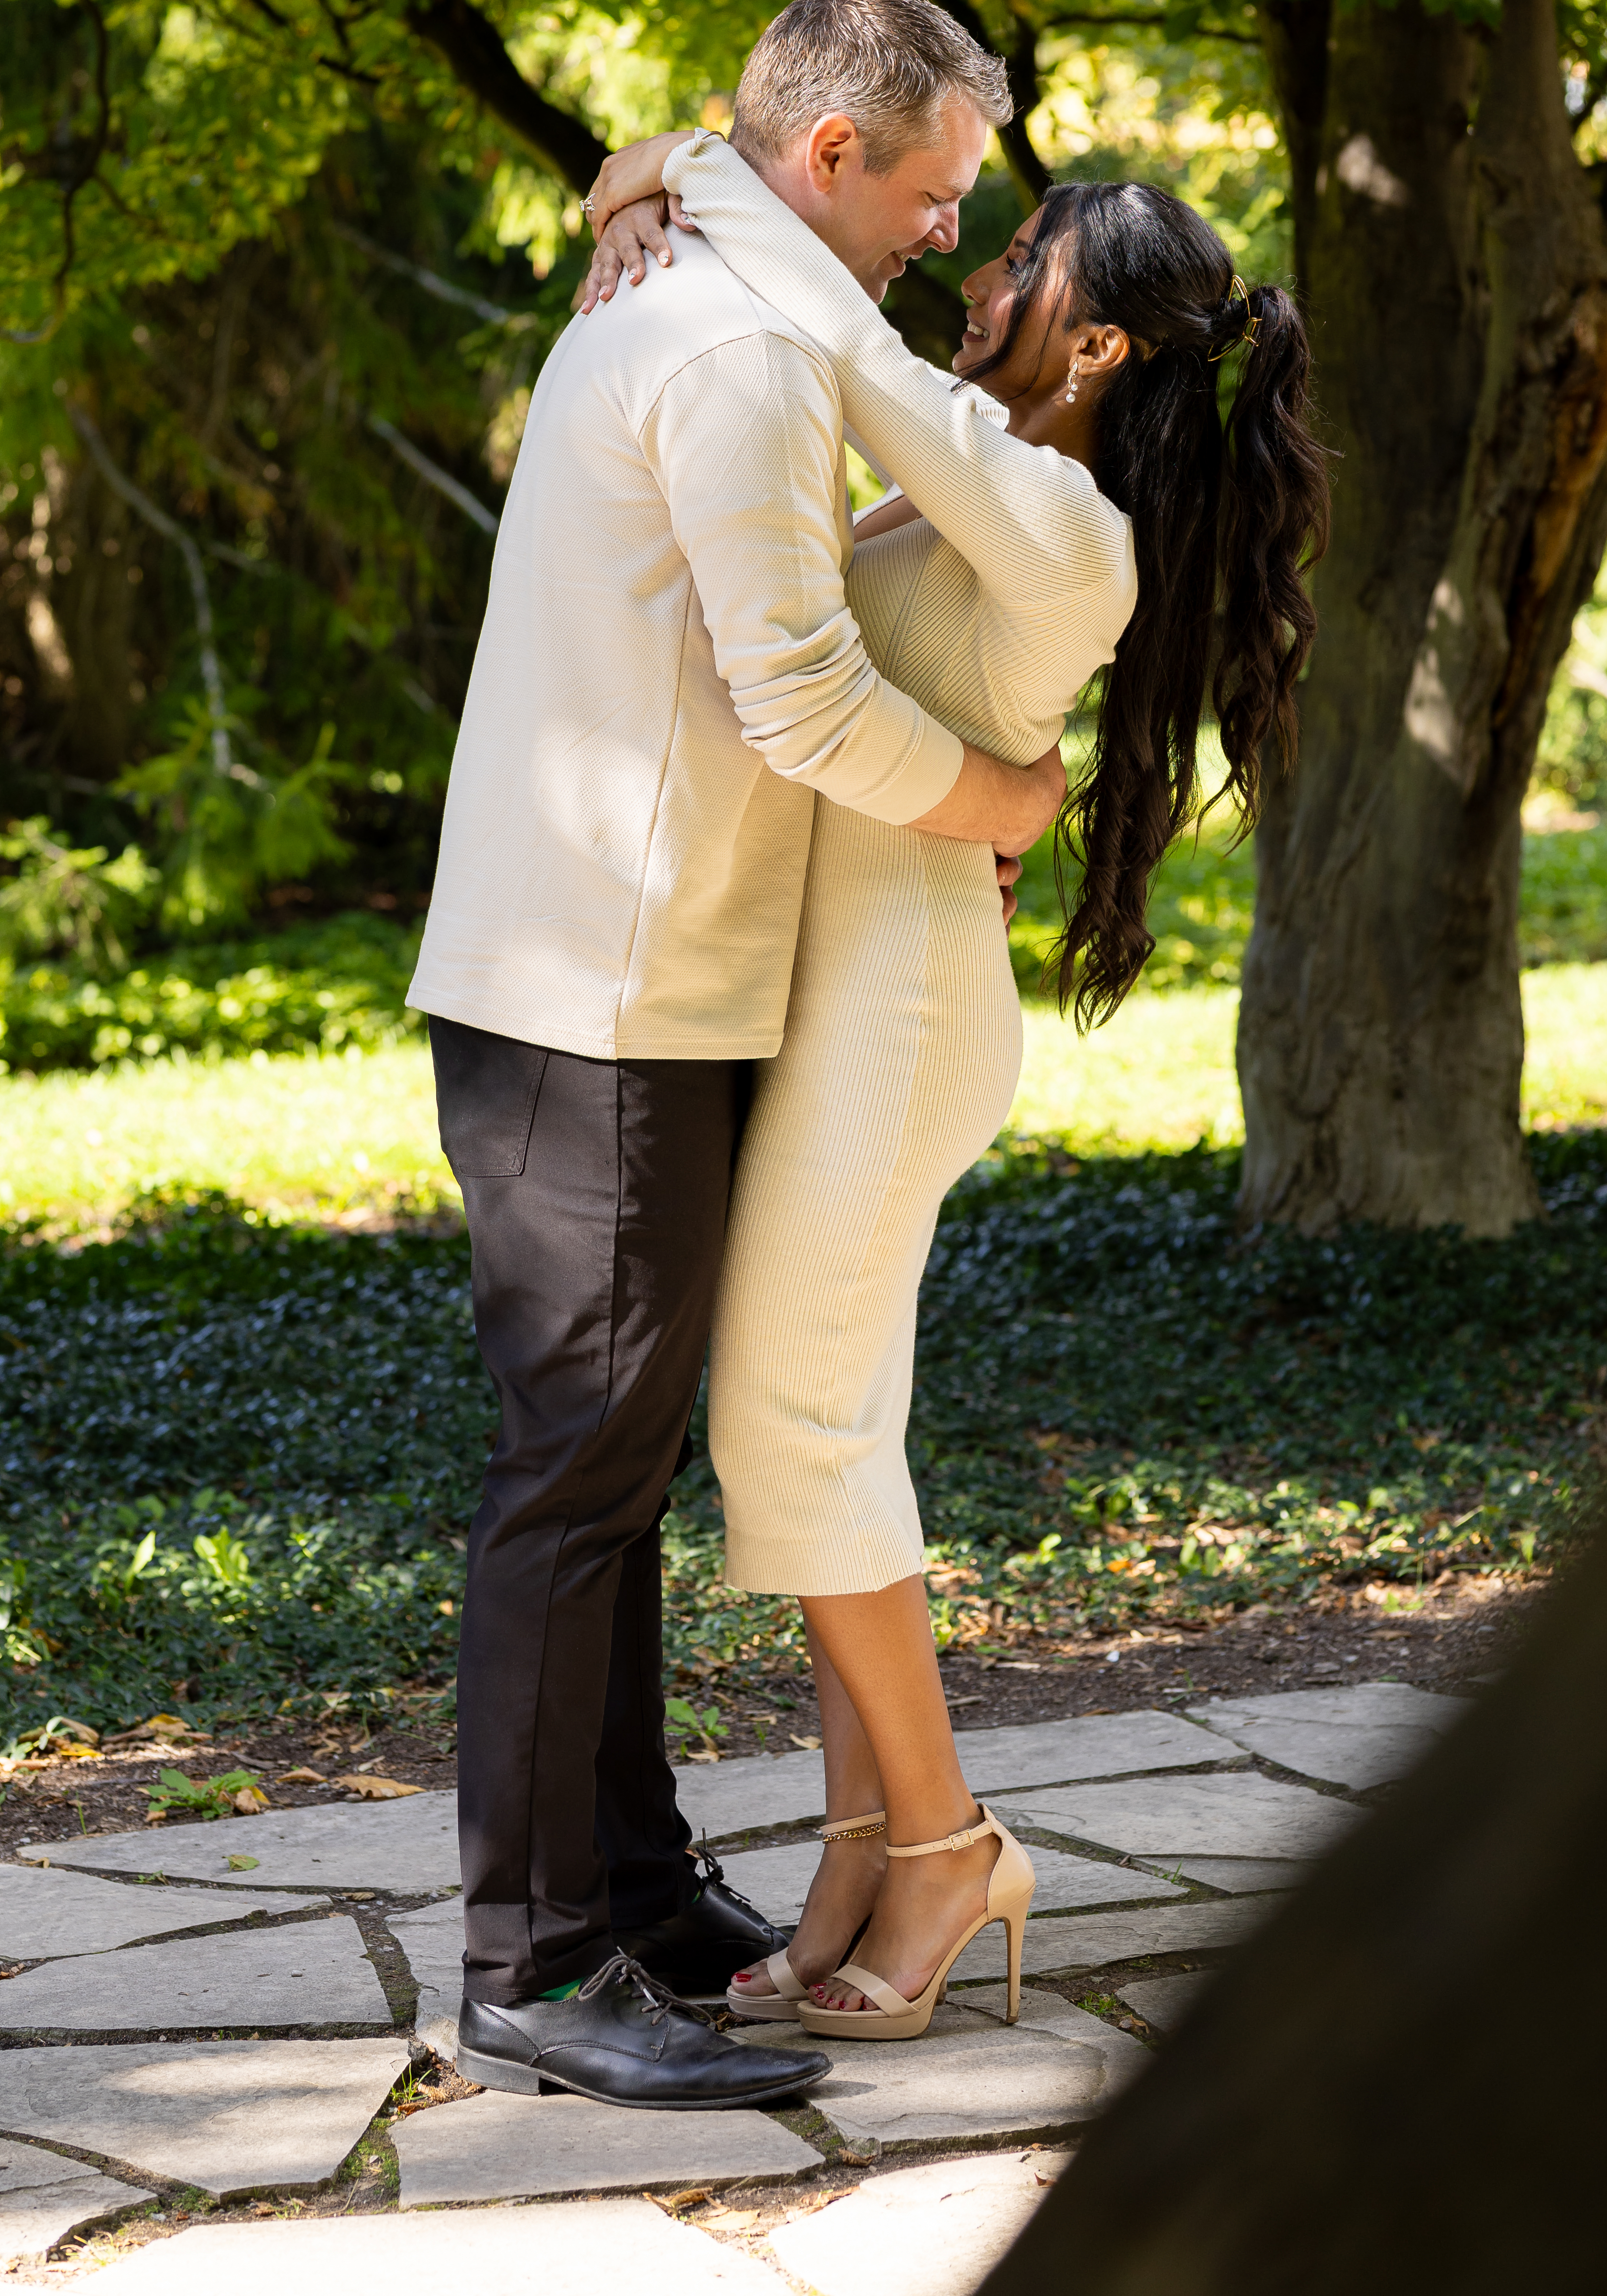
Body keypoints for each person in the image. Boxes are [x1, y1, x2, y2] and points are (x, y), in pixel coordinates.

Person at [579, 124, 1330, 2039]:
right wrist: (642, 175)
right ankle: (860, 1844)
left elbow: (842, 362)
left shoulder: (1063, 522)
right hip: (839, 989)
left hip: (897, 1019)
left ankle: (946, 1843)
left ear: (1093, 353)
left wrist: (705, 183)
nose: (972, 268)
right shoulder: (983, 494)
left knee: (790, 1429)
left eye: (1017, 256)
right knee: (827, 1432)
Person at [405, 0, 1068, 2111]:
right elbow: (795, 695)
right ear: (833, 159)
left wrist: (666, 158)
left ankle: (632, 1881)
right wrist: (1001, 809)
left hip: (636, 977)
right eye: (932, 199)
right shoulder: (742, 347)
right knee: (575, 1482)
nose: (944, 244)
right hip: (592, 992)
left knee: (608, 1470)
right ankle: (533, 1962)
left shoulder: (715, 278)